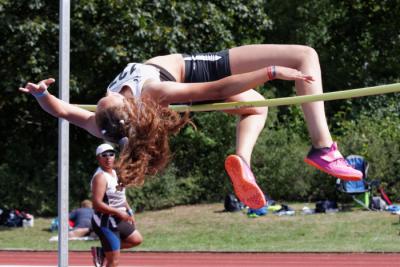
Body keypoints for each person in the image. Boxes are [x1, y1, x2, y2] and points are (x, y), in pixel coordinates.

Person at [19, 44, 362, 209]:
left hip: (187, 88)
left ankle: (242, 160)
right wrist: (271, 72)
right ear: (129, 106)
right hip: (195, 73)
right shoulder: (153, 92)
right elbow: (216, 88)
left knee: (255, 109)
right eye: (110, 97)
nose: (106, 94)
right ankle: (323, 148)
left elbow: (65, 111)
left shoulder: (103, 124)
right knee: (305, 56)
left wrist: (41, 96)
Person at [90, 143, 143, 267]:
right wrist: (119, 212)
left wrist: (129, 211)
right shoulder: (100, 177)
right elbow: (97, 204)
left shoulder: (115, 173)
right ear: (98, 158)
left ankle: (102, 251)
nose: (108, 158)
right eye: (104, 155)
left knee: (136, 240)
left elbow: (120, 196)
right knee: (114, 261)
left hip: (117, 219)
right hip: (105, 221)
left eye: (111, 154)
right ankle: (108, 251)